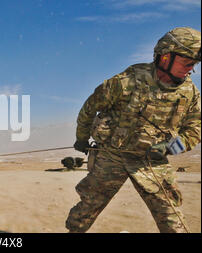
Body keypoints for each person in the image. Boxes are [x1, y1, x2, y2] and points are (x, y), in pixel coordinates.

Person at [65, 27, 201, 233]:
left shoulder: (190, 93)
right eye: (187, 63)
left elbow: (195, 130)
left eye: (194, 65)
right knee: (87, 207)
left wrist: (168, 148)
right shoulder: (126, 81)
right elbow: (90, 108)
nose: (190, 70)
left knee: (172, 218)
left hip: (151, 162)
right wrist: (82, 139)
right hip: (112, 155)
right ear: (166, 57)